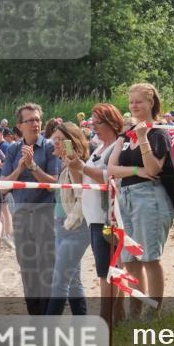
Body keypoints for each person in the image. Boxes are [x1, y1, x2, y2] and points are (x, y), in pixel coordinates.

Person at [107, 83, 174, 315]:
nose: (133, 105)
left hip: (151, 197)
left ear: (151, 103)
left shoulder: (158, 133)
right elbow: (111, 169)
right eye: (131, 102)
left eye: (138, 101)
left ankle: (153, 313)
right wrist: (134, 171)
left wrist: (143, 139)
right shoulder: (125, 135)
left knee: (150, 257)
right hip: (127, 198)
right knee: (130, 259)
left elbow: (153, 169)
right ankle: (135, 311)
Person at [0, 103, 61, 315]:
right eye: (30, 120)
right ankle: (35, 317)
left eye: (37, 120)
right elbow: (4, 186)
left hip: (46, 215)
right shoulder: (13, 150)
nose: (35, 124)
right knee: (28, 270)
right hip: (22, 216)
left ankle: (48, 318)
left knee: (47, 268)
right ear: (20, 126)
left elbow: (54, 183)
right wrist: (20, 167)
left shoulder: (51, 147)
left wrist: (33, 166)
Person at [70, 103, 124, 321]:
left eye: (97, 122)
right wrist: (74, 167)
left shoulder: (116, 146)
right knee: (108, 270)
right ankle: (116, 317)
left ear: (111, 122)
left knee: (107, 272)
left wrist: (82, 167)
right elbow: (82, 183)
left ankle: (106, 319)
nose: (93, 126)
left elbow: (108, 177)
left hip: (107, 216)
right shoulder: (99, 148)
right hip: (95, 216)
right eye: (92, 122)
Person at [46, 122, 91, 316]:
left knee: (60, 282)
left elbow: (81, 194)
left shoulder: (74, 164)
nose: (53, 143)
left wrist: (71, 156)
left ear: (70, 143)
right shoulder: (66, 165)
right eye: (53, 139)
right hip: (63, 226)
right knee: (73, 282)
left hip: (76, 227)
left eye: (58, 140)